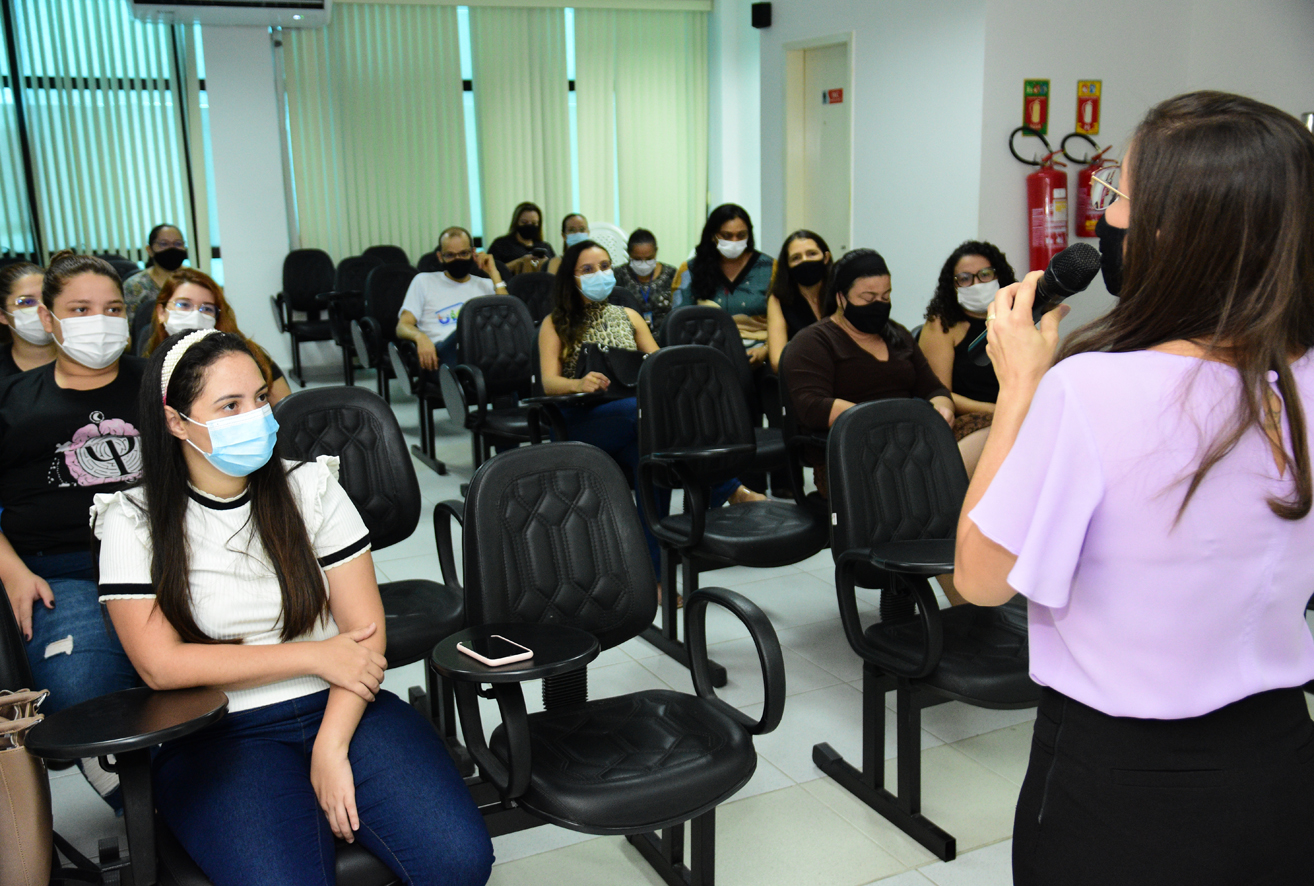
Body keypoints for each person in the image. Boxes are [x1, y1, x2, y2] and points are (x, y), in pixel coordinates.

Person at [955, 92, 1314, 885]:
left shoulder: (1091, 391)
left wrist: (1018, 388)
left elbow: (980, 579)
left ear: (1175, 232)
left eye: (1118, 191)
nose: (1103, 210)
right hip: (1280, 762)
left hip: (1120, 783)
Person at [95, 330, 493, 886]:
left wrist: (331, 746)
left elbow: (364, 633)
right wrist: (315, 657)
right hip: (219, 732)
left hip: (345, 706)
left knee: (459, 861)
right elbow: (161, 665)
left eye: (260, 398)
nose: (256, 416)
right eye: (229, 405)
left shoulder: (311, 487)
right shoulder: (130, 518)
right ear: (176, 421)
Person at [0, 251, 145, 809]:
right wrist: (13, 572)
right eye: (80, 308)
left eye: (112, 308)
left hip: (166, 558)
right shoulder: (13, 401)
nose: (99, 321)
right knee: (84, 688)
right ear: (50, 318)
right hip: (61, 573)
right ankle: (144, 809)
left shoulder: (160, 382)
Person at [538, 240, 763, 581]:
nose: (599, 274)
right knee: (641, 416)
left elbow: (659, 365)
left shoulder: (628, 316)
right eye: (588, 269)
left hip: (633, 422)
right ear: (570, 278)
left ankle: (655, 575)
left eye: (604, 266)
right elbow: (549, 383)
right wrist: (579, 383)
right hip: (580, 420)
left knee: (650, 460)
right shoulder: (555, 323)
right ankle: (727, 487)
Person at [781, 249, 954, 497]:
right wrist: (887, 419)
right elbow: (813, 406)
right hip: (849, 453)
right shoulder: (812, 342)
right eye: (868, 297)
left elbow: (934, 388)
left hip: (910, 441)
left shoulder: (898, 334)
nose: (879, 305)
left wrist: (942, 407)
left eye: (886, 296)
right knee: (942, 478)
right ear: (841, 298)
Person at [918, 240, 1018, 474]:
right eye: (965, 278)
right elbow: (938, 392)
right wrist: (997, 410)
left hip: (1017, 413)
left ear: (998, 276)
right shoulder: (942, 324)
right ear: (952, 286)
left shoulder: (1018, 318)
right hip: (972, 420)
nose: (976, 284)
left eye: (984, 275)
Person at [141, 267, 293, 405]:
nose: (195, 315)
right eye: (183, 304)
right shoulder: (149, 361)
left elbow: (288, 413)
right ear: (161, 312)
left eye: (206, 308)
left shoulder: (247, 355)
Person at [672, 204, 775, 367]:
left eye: (741, 235)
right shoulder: (690, 270)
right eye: (727, 236)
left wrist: (766, 350)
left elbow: (783, 320)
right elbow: (677, 321)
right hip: (705, 355)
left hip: (759, 354)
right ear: (713, 235)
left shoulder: (770, 268)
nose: (735, 241)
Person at [396, 226, 506, 378]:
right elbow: (402, 326)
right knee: (464, 331)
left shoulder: (486, 284)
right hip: (442, 355)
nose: (458, 259)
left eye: (464, 253)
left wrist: (494, 273)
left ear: (473, 253)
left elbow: (507, 317)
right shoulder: (423, 281)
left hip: (485, 353)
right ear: (440, 257)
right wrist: (420, 337)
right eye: (450, 255)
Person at [765, 230, 832, 372]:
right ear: (788, 266)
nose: (805, 261)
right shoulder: (779, 298)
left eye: (812, 254)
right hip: (802, 374)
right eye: (796, 258)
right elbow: (777, 361)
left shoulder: (841, 291)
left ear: (826, 257)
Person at [614, 228, 677, 334]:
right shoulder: (617, 275)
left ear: (656, 252)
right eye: (637, 259)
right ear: (629, 254)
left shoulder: (671, 274)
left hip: (666, 336)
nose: (644, 263)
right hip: (629, 337)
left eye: (649, 259)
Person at [0, 262, 55, 378]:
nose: (42, 309)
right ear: (2, 315)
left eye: (47, 299)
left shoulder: (86, 358)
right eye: (27, 302)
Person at [121, 223, 188, 315]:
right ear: (150, 250)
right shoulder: (134, 286)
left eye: (178, 244)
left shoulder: (197, 280)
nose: (172, 248)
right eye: (164, 244)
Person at [506, 213, 589, 278]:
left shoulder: (597, 258)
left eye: (582, 229)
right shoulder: (557, 263)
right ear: (563, 235)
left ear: (588, 232)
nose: (577, 233)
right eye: (572, 230)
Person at [487, 201, 556, 266]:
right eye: (524, 222)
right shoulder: (501, 245)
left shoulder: (545, 247)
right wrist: (519, 262)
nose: (529, 226)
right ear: (516, 222)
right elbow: (491, 270)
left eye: (534, 223)